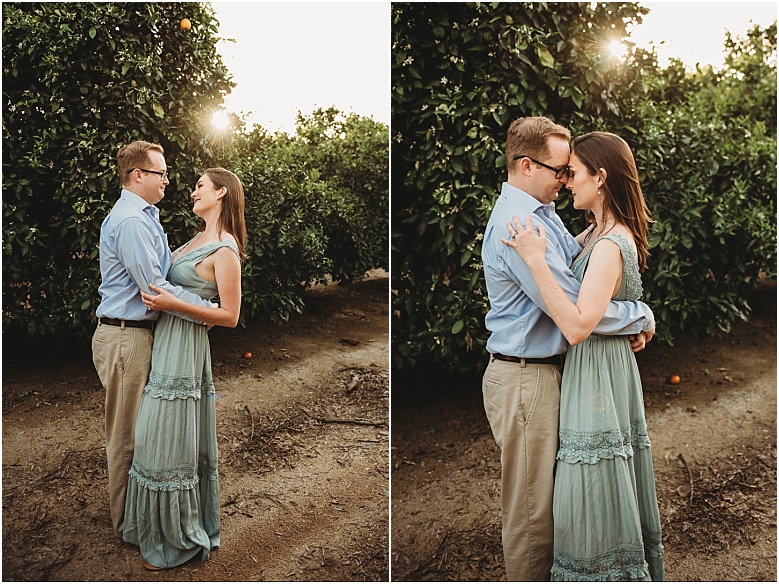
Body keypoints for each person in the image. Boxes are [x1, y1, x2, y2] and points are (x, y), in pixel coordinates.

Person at [481, 117, 656, 581]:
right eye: (559, 169)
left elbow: (586, 271)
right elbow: (576, 314)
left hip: (545, 373)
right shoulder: (519, 227)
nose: (563, 178)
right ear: (526, 165)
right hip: (524, 377)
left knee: (553, 505)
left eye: (569, 171)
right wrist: (638, 314)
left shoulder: (544, 217)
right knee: (531, 514)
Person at [122, 167, 246, 570]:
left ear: (221, 193)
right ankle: (150, 527)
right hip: (167, 340)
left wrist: (176, 305)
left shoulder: (225, 249)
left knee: (169, 436)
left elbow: (229, 315)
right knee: (152, 434)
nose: (192, 192)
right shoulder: (197, 238)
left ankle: (176, 537)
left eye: (199, 186)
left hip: (186, 349)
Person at [92, 141, 216, 540]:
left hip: (140, 337)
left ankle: (141, 518)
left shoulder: (145, 217)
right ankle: (130, 527)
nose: (167, 179)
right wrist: (207, 310)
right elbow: (154, 288)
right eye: (160, 173)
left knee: (142, 433)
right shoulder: (130, 222)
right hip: (126, 339)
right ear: (137, 175)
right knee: (128, 437)